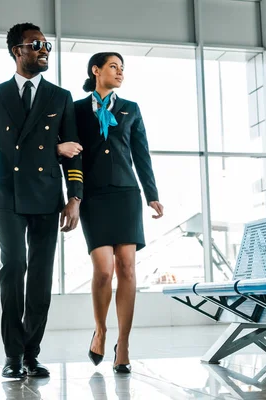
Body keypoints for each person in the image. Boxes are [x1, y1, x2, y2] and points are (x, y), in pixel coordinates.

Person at [0, 22, 83, 379]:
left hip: (47, 194)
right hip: (8, 192)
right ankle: (12, 355)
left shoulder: (60, 96)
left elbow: (74, 152)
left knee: (40, 276)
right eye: (36, 44)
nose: (44, 50)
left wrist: (75, 199)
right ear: (16, 50)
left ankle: (31, 354)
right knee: (14, 269)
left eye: (47, 45)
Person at [58, 52, 164, 373]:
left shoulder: (131, 109)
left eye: (122, 69)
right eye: (113, 67)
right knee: (104, 270)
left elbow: (141, 154)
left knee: (128, 269)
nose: (120, 73)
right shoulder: (75, 110)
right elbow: (72, 156)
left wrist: (152, 195)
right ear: (96, 71)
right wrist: (73, 195)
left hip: (126, 194)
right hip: (93, 197)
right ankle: (101, 331)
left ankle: (125, 344)